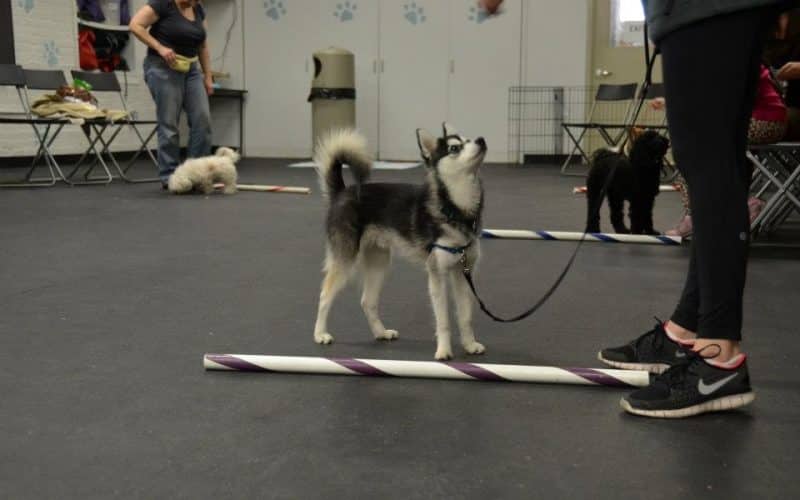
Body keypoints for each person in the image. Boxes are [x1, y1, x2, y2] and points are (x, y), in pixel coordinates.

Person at [482, 0, 788, 418]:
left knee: (704, 160)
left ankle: (717, 356)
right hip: (720, 11)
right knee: (717, 160)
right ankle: (688, 330)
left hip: (702, 10)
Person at [662, 59, 786, 237]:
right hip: (770, 121)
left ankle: (695, 215)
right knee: (715, 148)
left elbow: (729, 102)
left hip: (761, 121)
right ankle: (736, 205)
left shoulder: (733, 59)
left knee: (689, 147)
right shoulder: (742, 53)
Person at [130, 0, 214, 188]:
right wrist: (160, 47)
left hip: (191, 69)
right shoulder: (162, 4)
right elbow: (135, 25)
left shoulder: (198, 9)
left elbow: (203, 46)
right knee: (169, 124)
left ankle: (196, 174)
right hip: (162, 67)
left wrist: (208, 76)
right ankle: (170, 177)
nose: (191, 3)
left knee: (202, 120)